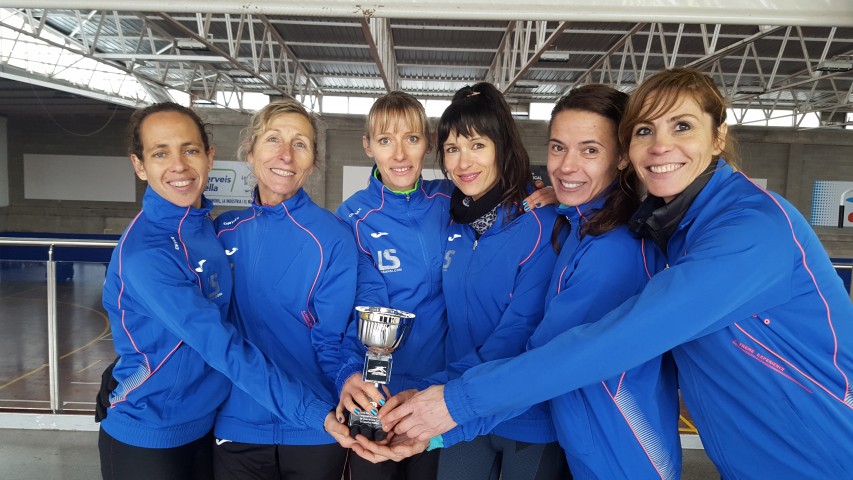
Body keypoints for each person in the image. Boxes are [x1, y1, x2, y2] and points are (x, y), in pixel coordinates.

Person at [379, 68, 853, 479]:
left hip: (819, 455)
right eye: (645, 130)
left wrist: (451, 410)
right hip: (733, 456)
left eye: (683, 126)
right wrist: (560, 200)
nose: (661, 146)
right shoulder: (657, 225)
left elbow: (603, 343)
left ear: (719, 136)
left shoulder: (749, 231)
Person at [98, 102, 351, 480]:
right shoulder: (149, 251)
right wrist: (129, 374)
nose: (179, 165)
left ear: (209, 157)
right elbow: (218, 342)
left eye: (190, 149)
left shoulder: (206, 229)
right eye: (160, 152)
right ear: (139, 164)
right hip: (155, 432)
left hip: (203, 427)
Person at [425, 82, 569, 479]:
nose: (462, 162)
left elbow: (518, 334)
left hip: (525, 418)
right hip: (461, 413)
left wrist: (435, 394)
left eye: (477, 145)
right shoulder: (456, 223)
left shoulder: (543, 226)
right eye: (452, 149)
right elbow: (395, 181)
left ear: (502, 147)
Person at [211, 99, 357, 479]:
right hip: (237, 420)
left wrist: (351, 379)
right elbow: (198, 322)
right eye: (273, 139)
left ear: (313, 160)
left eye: (300, 144)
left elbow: (333, 341)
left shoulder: (333, 238)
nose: (286, 155)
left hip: (315, 424)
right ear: (251, 150)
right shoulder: (221, 230)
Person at [334, 91, 451, 479]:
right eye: (386, 140)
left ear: (429, 143)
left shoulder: (450, 202)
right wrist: (354, 379)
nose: (400, 154)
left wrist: (547, 195)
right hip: (374, 396)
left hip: (437, 392)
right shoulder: (351, 217)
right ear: (368, 146)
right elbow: (339, 313)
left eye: (412, 139)